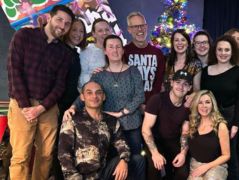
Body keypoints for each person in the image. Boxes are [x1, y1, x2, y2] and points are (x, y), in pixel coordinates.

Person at [6, 4, 74, 180]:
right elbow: (14, 70)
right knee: (21, 156)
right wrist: (26, 107)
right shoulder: (24, 36)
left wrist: (41, 108)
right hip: (22, 104)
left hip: (48, 108)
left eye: (67, 24)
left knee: (45, 157)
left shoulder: (64, 53)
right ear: (49, 17)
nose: (62, 26)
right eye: (59, 19)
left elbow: (60, 86)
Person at [64, 35, 146, 179]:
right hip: (109, 127)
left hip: (131, 125)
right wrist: (73, 107)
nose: (115, 50)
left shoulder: (133, 71)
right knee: (114, 165)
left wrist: (122, 113)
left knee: (133, 161)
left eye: (118, 46)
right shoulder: (100, 74)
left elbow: (140, 96)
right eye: (111, 47)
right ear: (105, 51)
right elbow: (87, 92)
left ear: (122, 50)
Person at [58, 81, 132, 179]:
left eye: (98, 92)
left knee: (137, 160)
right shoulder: (73, 119)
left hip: (103, 173)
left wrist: (124, 160)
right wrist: (74, 177)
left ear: (104, 96)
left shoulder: (111, 121)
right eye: (89, 93)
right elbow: (64, 153)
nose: (94, 96)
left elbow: (122, 143)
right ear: (82, 97)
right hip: (80, 176)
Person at [200, 35, 239, 180]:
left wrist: (235, 125)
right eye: (220, 49)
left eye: (227, 50)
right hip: (210, 118)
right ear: (215, 51)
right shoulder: (206, 71)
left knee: (231, 157)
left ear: (232, 52)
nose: (223, 53)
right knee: (213, 155)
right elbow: (203, 99)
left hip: (230, 118)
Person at [52, 18, 87, 180]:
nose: (78, 34)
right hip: (59, 104)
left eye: (81, 31)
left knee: (68, 146)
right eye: (74, 30)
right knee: (59, 147)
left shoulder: (74, 52)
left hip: (71, 104)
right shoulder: (60, 49)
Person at [142, 70, 192, 180]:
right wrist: (155, 153)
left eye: (185, 84)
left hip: (174, 141)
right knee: (155, 168)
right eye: (178, 82)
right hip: (155, 141)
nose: (181, 87)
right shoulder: (157, 99)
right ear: (172, 83)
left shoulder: (188, 106)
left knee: (183, 172)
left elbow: (185, 133)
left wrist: (183, 153)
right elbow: (146, 129)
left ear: (189, 88)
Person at [125, 11, 166, 106]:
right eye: (135, 26)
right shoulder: (124, 52)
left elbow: (158, 83)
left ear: (146, 26)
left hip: (152, 107)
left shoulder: (157, 53)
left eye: (142, 25)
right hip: (130, 108)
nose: (140, 29)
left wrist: (151, 105)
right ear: (129, 29)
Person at [188, 90, 230, 179]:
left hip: (216, 166)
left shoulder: (221, 126)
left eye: (207, 102)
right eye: (200, 103)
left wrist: (206, 167)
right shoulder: (193, 123)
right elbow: (185, 141)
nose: (204, 106)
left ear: (212, 105)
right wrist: (182, 154)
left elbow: (226, 155)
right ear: (196, 105)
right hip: (196, 165)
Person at [78, 18, 111, 88]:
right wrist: (93, 77)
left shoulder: (117, 49)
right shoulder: (86, 52)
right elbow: (80, 79)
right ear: (93, 34)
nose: (105, 33)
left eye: (107, 30)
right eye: (100, 31)